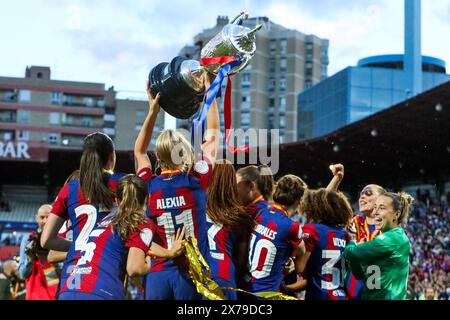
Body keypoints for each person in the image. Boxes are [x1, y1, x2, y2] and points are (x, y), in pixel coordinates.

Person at [134, 74, 220, 300]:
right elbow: (213, 135)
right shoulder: (196, 180)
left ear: (158, 157)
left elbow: (139, 152)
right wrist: (210, 92)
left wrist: (153, 111)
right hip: (192, 273)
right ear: (184, 154)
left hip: (159, 272)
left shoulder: (148, 184)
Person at [57, 174, 185, 300]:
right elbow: (134, 268)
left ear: (117, 201)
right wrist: (148, 262)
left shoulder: (107, 221)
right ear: (148, 199)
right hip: (101, 292)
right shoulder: (143, 223)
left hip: (69, 290)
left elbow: (141, 243)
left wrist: (169, 253)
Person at [41, 132, 126, 297]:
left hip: (70, 287)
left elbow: (46, 240)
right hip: (105, 286)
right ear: (112, 156)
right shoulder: (125, 184)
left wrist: (80, 244)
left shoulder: (70, 188)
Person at [342, 192, 413, 300]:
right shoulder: (388, 237)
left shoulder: (393, 239)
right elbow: (358, 272)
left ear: (396, 214)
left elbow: (351, 253)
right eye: (375, 207)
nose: (375, 212)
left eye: (382, 208)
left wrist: (352, 242)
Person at [246, 174, 306, 296]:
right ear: (298, 200)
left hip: (248, 289)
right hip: (269, 293)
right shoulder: (292, 227)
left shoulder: (261, 214)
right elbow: (301, 259)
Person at [205, 160, 256, 300]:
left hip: (199, 275)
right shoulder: (240, 216)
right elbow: (242, 260)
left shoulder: (197, 207)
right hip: (224, 276)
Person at [296, 189, 353, 300]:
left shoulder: (311, 230)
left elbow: (299, 268)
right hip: (341, 296)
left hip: (319, 296)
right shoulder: (344, 235)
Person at [18, 204, 61, 300]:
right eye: (42, 217)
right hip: (35, 295)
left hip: (56, 295)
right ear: (37, 218)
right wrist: (30, 258)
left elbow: (65, 272)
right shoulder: (28, 239)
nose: (45, 221)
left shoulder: (61, 239)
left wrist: (50, 257)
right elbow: (22, 274)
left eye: (48, 217)